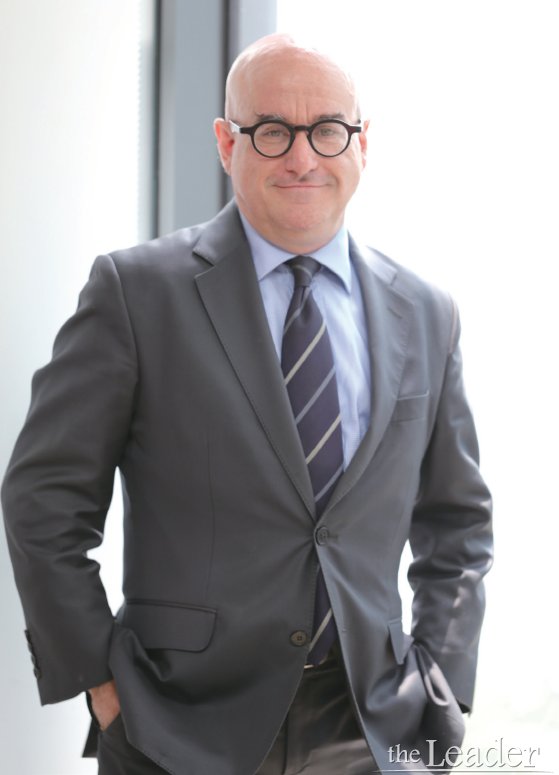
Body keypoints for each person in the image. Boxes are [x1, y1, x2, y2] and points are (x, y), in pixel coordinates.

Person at [2, 33, 493, 775]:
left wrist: (443, 684)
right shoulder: (135, 293)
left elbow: (458, 522)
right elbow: (43, 501)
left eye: (327, 130)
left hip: (374, 727)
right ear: (226, 143)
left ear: (363, 144)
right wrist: (102, 684)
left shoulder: (426, 311)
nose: (302, 157)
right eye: (271, 131)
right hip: (176, 725)